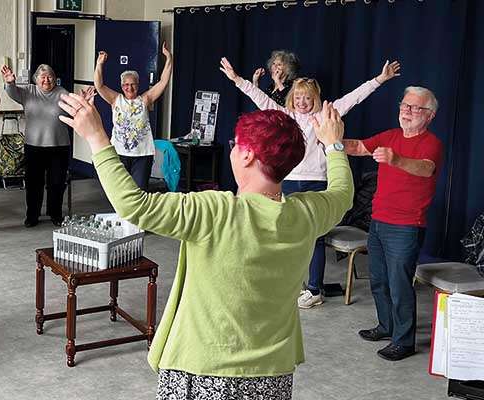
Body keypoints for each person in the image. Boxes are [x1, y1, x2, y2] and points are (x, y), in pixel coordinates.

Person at [58, 88, 353, 399]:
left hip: (203, 369)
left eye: (235, 146)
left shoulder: (216, 211)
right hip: (272, 374)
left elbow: (135, 206)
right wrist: (333, 145)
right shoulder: (306, 214)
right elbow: (343, 194)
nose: (232, 151)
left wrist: (97, 139)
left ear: (248, 155)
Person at [220, 57, 400, 309]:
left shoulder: (326, 116)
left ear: (315, 99)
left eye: (307, 98)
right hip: (290, 181)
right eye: (298, 98)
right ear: (292, 99)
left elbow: (355, 97)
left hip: (317, 182)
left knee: (315, 238)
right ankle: (285, 283)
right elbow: (260, 99)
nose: (302, 103)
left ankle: (314, 289)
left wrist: (380, 79)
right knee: (282, 233)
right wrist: (237, 79)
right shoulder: (285, 115)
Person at [344, 87, 443, 361]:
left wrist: (395, 159)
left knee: (399, 284)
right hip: (378, 221)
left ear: (430, 115)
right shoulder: (390, 135)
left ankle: (404, 341)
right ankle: (386, 326)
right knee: (378, 279)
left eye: (415, 108)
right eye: (405, 105)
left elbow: (426, 168)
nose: (407, 111)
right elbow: (358, 146)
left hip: (406, 225)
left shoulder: (431, 143)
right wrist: (329, 140)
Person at [93, 42, 173, 190]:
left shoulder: (145, 99)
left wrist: (168, 57)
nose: (129, 88)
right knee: (120, 190)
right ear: (122, 86)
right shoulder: (115, 99)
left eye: (133, 84)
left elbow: (163, 81)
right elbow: (99, 85)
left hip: (142, 155)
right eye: (126, 85)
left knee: (139, 190)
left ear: (138, 84)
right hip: (119, 153)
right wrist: (99, 64)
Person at [1, 64, 70, 227]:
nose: (46, 80)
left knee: (57, 183)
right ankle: (32, 215)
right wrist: (10, 83)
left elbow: (74, 109)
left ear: (55, 78)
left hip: (58, 146)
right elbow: (12, 92)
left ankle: (56, 214)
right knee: (33, 184)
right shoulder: (29, 91)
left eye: (50, 76)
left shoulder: (62, 93)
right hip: (34, 146)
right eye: (42, 77)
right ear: (36, 79)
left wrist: (84, 100)